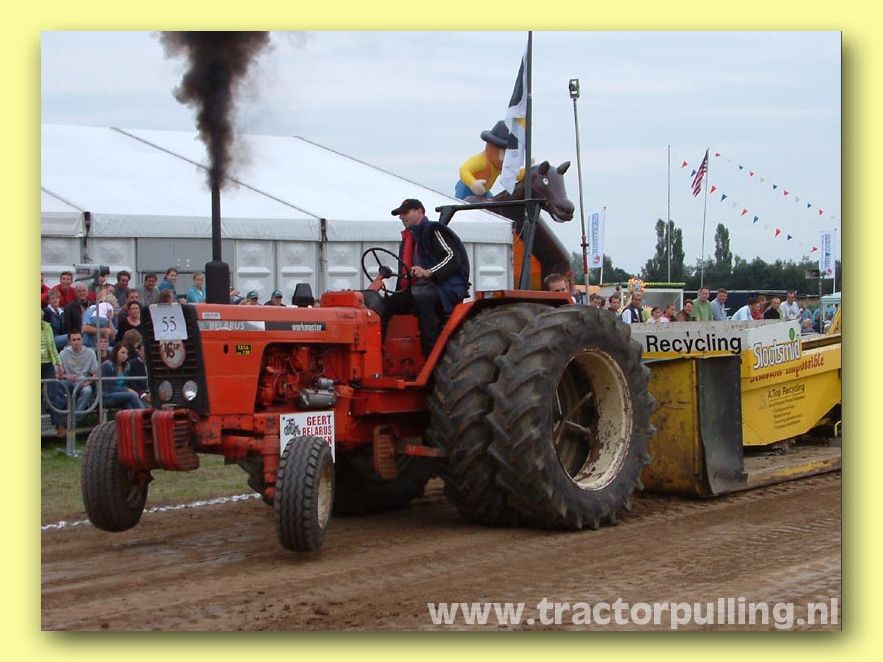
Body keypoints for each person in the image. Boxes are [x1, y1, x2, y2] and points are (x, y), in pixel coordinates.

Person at [381, 198, 470, 357]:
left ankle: (431, 355)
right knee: (387, 303)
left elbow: (452, 257)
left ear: (419, 212)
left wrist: (428, 272)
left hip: (448, 286)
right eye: (400, 214)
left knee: (422, 298)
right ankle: (378, 350)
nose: (401, 217)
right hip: (425, 287)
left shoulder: (434, 230)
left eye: (405, 213)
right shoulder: (411, 238)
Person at [58, 331, 99, 429]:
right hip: (69, 382)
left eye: (79, 339)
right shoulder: (63, 354)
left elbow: (96, 373)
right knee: (61, 386)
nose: (77, 342)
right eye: (74, 340)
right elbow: (58, 374)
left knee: (88, 391)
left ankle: (73, 420)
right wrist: (67, 376)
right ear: (69, 342)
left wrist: (88, 382)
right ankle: (61, 420)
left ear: (82, 340)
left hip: (84, 382)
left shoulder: (90, 352)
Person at [101, 343, 147, 410]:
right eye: (122, 353)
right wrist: (126, 390)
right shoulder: (107, 365)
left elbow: (128, 383)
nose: (125, 355)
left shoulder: (126, 366)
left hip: (122, 395)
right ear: (116, 353)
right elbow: (109, 388)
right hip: (107, 396)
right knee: (133, 395)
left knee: (129, 405)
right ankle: (143, 414)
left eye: (126, 353)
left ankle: (139, 415)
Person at [41, 316, 65, 437]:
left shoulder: (47, 327)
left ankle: (59, 425)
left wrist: (59, 364)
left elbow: (52, 346)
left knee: (53, 394)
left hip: (48, 364)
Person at [121, 330, 149, 397]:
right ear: (138, 351)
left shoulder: (153, 365)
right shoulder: (132, 364)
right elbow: (132, 383)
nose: (146, 353)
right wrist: (143, 395)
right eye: (144, 350)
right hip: (140, 394)